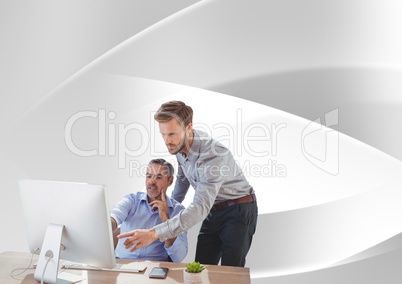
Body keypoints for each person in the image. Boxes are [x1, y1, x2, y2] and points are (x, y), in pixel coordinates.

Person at [118, 101, 258, 267]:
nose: (167, 141)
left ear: (188, 127)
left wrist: (155, 233)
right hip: (213, 209)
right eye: (163, 134)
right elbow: (183, 178)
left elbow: (199, 208)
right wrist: (168, 205)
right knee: (200, 267)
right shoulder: (179, 146)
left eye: (171, 134)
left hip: (238, 209)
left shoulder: (213, 156)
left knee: (231, 272)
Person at [111, 158, 188, 262]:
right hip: (123, 265)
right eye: (149, 176)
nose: (152, 181)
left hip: (155, 269)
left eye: (159, 177)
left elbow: (179, 256)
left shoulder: (178, 211)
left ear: (170, 181)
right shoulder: (131, 200)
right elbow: (115, 217)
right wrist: (106, 224)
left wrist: (166, 219)